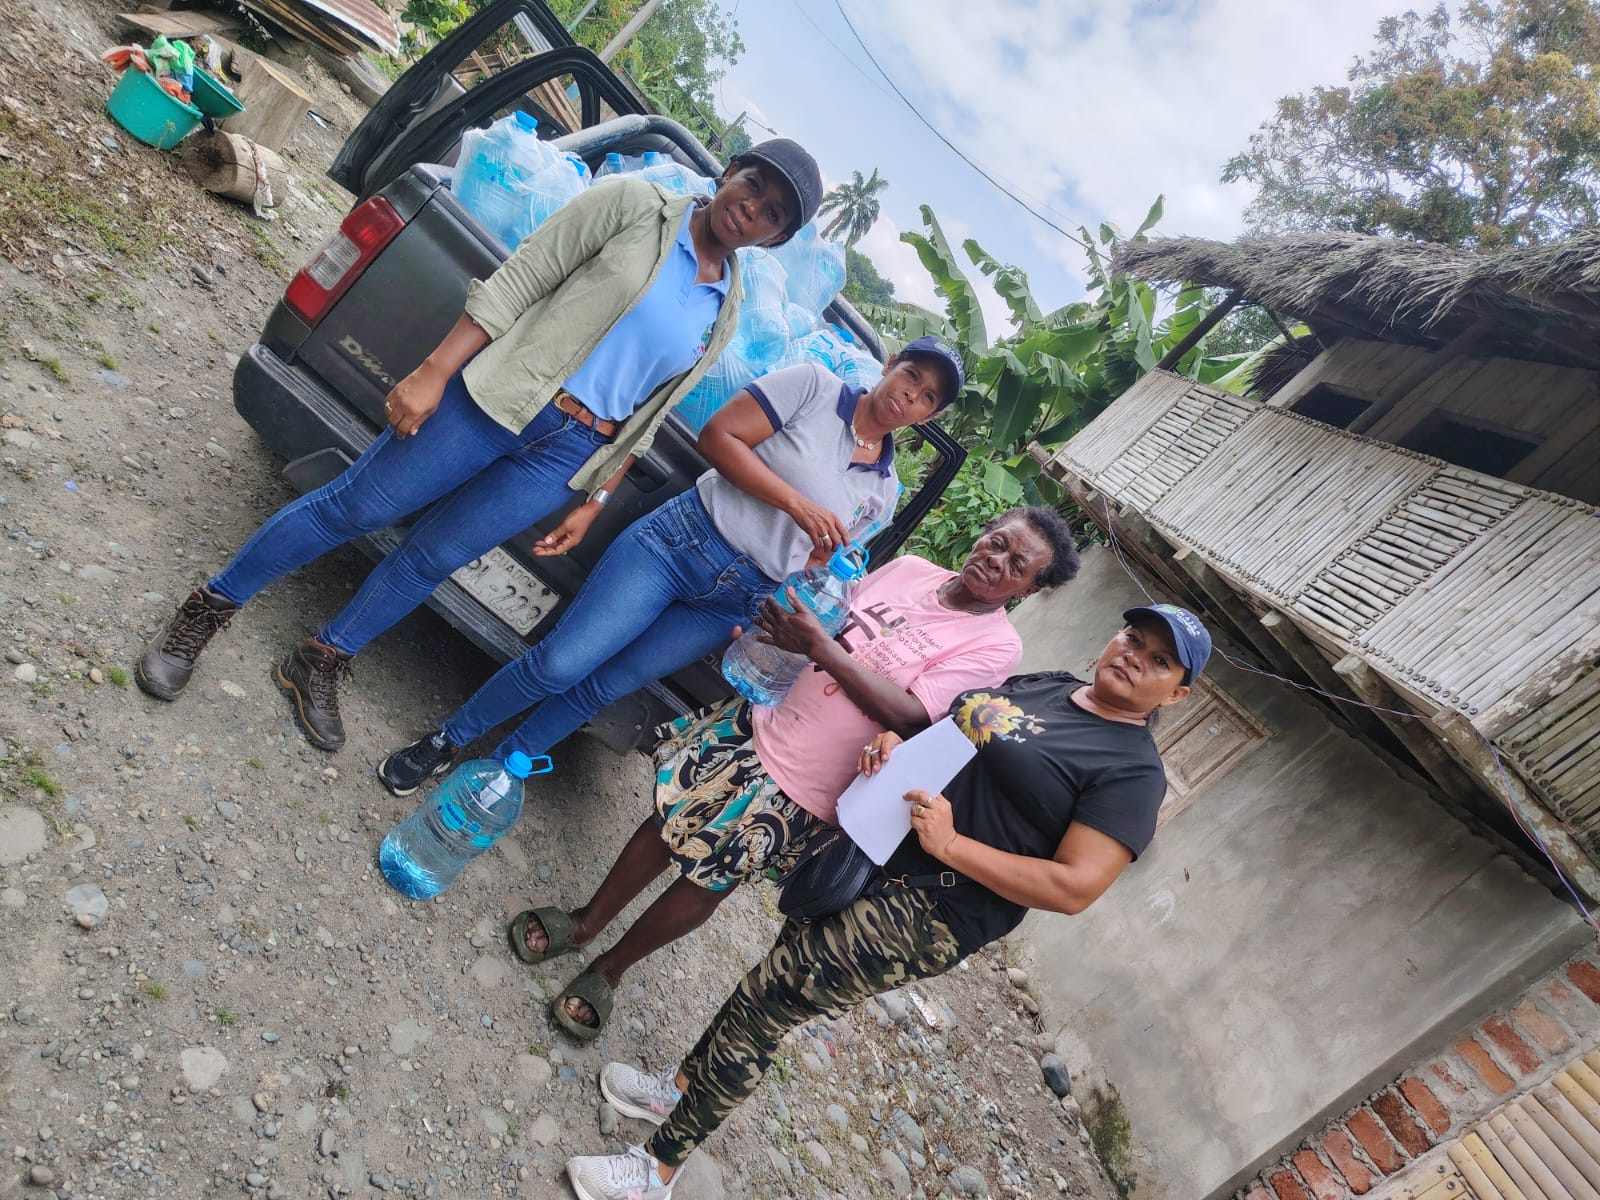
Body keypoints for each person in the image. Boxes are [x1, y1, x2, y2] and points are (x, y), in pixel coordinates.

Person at [134, 139, 825, 751]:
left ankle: (320, 657)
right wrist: (434, 371)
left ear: (774, 238)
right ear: (729, 173)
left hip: (567, 454)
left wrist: (597, 493)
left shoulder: (726, 309)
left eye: (772, 214)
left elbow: (652, 409)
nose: (752, 208)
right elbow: (522, 278)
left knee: (434, 558)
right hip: (496, 399)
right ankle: (208, 610)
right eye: (752, 186)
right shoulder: (633, 206)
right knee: (354, 507)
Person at [560, 603, 1213, 1200]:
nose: (1135, 656)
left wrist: (953, 846)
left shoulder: (1131, 773)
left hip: (933, 911)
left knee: (768, 1002)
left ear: (1176, 694)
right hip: (874, 853)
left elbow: (1073, 887)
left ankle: (655, 1171)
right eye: (1134, 637)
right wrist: (902, 746)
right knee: (773, 981)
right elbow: (958, 736)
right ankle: (678, 1091)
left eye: (1160, 661)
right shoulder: (1051, 686)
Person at [507, 508, 1080, 1040]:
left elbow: (912, 714)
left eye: (1016, 565)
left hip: (813, 780)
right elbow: (829, 620)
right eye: (997, 542)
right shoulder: (911, 569)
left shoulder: (995, 646)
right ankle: (585, 923)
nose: (995, 560)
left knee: (710, 877)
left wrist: (821, 649)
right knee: (666, 822)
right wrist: (777, 638)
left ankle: (610, 969)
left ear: (1028, 589)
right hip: (761, 718)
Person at [372, 334, 969, 796]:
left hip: (738, 597)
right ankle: (447, 739)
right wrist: (796, 503)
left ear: (928, 416)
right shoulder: (814, 387)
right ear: (891, 364)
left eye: (926, 398)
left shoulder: (883, 491)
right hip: (681, 541)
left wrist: (808, 572)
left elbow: (820, 563)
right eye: (911, 375)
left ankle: (500, 775)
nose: (909, 395)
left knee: (604, 687)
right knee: (561, 663)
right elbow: (719, 437)